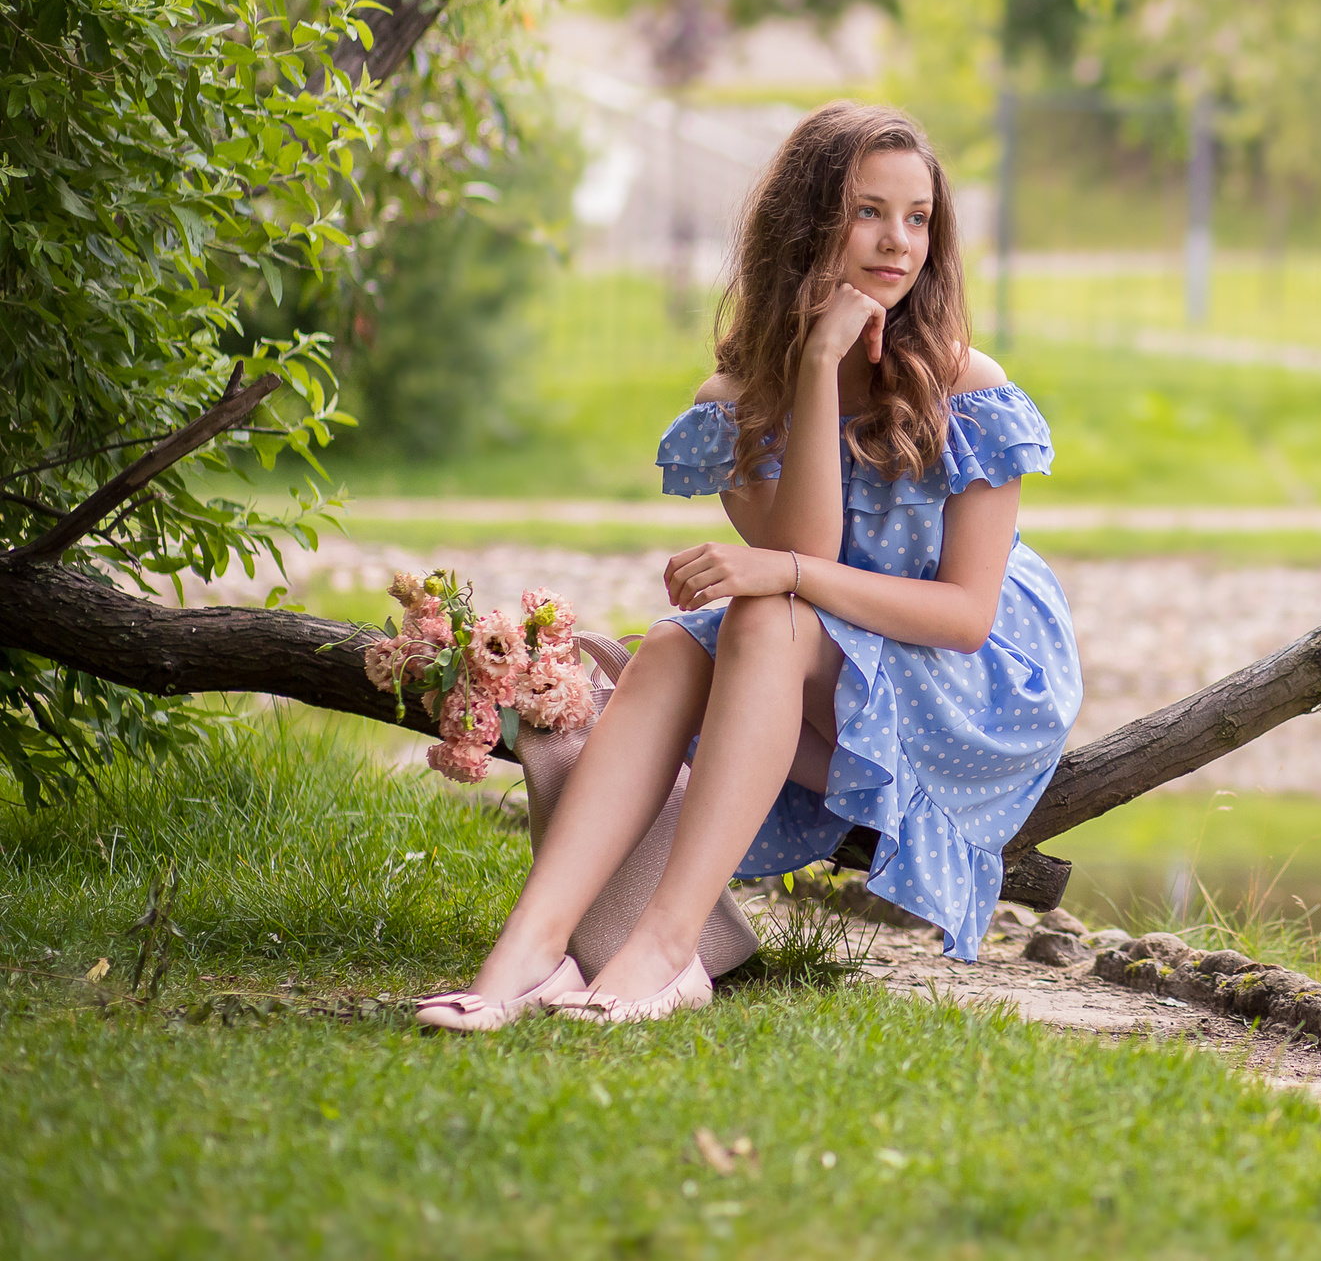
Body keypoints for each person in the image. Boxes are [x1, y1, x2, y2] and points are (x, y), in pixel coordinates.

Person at [418, 103, 1082, 1028]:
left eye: (919, 216)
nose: (899, 242)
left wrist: (783, 579)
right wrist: (817, 367)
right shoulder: (733, 407)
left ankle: (663, 944)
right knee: (675, 646)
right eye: (868, 212)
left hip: (970, 687)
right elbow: (802, 554)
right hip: (817, 668)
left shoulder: (967, 388)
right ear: (806, 227)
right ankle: (529, 948)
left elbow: (960, 614)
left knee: (763, 612)